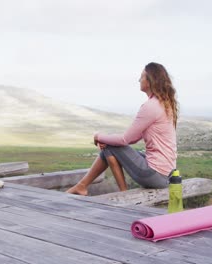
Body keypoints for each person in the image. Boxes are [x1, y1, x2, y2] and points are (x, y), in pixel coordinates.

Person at [66, 62, 178, 196]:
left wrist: (98, 136)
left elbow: (125, 139)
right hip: (166, 174)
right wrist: (108, 139)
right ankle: (81, 186)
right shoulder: (164, 104)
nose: (139, 80)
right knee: (111, 146)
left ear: (150, 81)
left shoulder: (150, 106)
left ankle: (122, 193)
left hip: (155, 175)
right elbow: (134, 138)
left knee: (110, 146)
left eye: (142, 77)